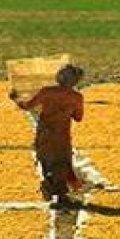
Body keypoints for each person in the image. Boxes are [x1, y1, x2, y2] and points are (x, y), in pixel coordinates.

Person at [11, 64, 85, 207]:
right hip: (62, 135)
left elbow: (27, 106)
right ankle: (60, 193)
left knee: (45, 160)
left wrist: (16, 98)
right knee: (62, 163)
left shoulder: (47, 92)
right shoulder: (76, 97)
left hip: (45, 133)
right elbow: (78, 117)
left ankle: (50, 185)